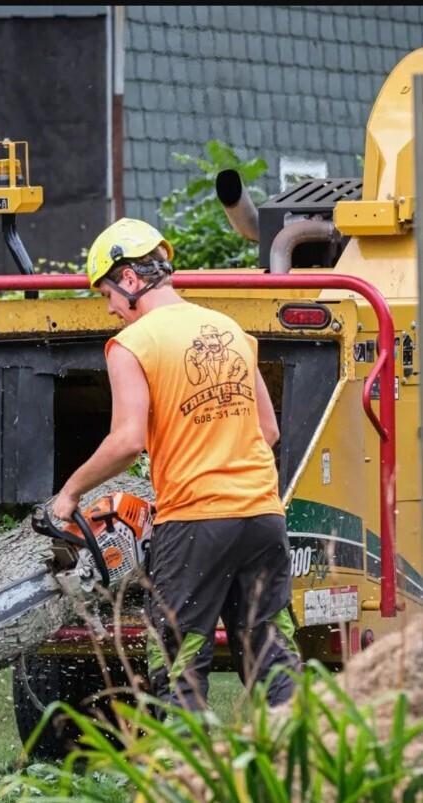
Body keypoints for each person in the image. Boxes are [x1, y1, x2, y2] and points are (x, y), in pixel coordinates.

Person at [52, 217, 301, 714]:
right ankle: (304, 770)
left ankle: (184, 784)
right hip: (263, 516)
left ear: (128, 280)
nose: (109, 309)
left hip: (194, 524)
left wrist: (70, 494)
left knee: (181, 665)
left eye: (106, 293)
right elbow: (268, 432)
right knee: (273, 654)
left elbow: (127, 441)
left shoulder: (132, 343)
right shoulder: (229, 330)